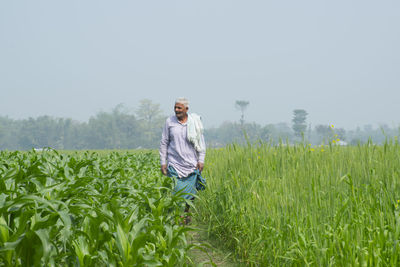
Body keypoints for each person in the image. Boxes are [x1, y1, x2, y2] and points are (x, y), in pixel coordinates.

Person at [159, 97, 206, 224]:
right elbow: (164, 142)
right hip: (174, 163)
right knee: (177, 191)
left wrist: (201, 160)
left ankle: (186, 212)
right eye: (175, 107)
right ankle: (178, 216)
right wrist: (163, 162)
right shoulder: (170, 122)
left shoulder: (194, 122)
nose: (176, 110)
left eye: (179, 108)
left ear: (186, 109)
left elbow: (201, 144)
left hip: (191, 164)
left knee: (190, 193)